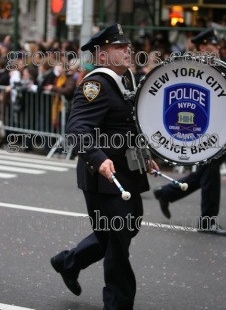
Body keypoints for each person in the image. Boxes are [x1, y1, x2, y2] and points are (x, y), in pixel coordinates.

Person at [50, 23, 159, 310]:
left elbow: (127, 127)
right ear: (101, 55)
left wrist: (145, 155)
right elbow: (77, 129)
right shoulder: (95, 84)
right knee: (118, 247)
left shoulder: (128, 80)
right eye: (118, 47)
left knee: (125, 228)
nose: (127, 50)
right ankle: (118, 304)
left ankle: (68, 262)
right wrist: (98, 160)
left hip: (128, 172)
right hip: (104, 178)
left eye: (127, 46)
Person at [154, 28, 226, 236]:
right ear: (203, 47)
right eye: (215, 45)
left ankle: (167, 193)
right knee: (210, 173)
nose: (219, 48)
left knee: (205, 173)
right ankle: (207, 221)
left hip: (220, 129)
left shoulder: (219, 68)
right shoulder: (192, 69)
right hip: (205, 132)